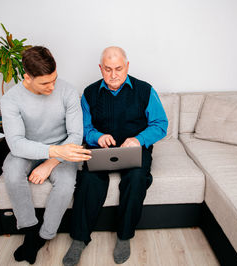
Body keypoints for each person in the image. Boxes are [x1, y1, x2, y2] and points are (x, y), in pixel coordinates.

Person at [63, 46, 168, 265]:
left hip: (135, 148)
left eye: (118, 69)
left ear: (127, 66)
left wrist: (138, 139)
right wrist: (97, 137)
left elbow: (160, 124)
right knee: (89, 179)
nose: (113, 75)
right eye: (108, 69)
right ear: (100, 68)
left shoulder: (145, 90)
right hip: (102, 149)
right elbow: (85, 128)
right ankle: (80, 240)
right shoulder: (90, 93)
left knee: (137, 178)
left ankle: (124, 236)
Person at [0, 46, 91, 264]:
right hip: (27, 149)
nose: (52, 86)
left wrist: (50, 162)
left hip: (61, 149)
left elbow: (76, 135)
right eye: (44, 83)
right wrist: (52, 151)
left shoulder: (68, 91)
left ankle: (44, 235)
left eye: (54, 79)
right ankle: (30, 231)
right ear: (27, 77)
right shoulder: (11, 99)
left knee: (67, 184)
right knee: (11, 173)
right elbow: (16, 144)